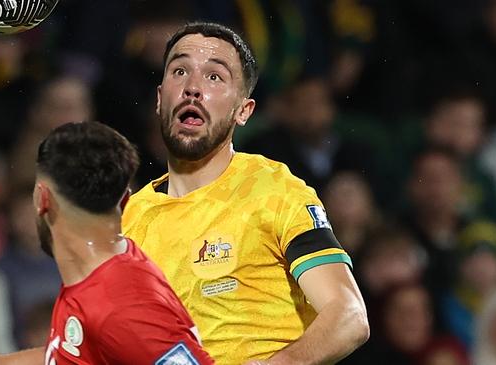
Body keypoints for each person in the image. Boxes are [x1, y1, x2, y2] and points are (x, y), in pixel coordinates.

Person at [123, 22, 368, 364]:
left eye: (214, 77)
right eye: (180, 71)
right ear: (160, 98)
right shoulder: (129, 221)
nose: (192, 88)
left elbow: (349, 316)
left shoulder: (276, 191)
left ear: (244, 111)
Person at [0, 121, 213, 365]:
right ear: (124, 201)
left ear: (42, 200)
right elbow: (60, 353)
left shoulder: (122, 307)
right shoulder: (97, 276)